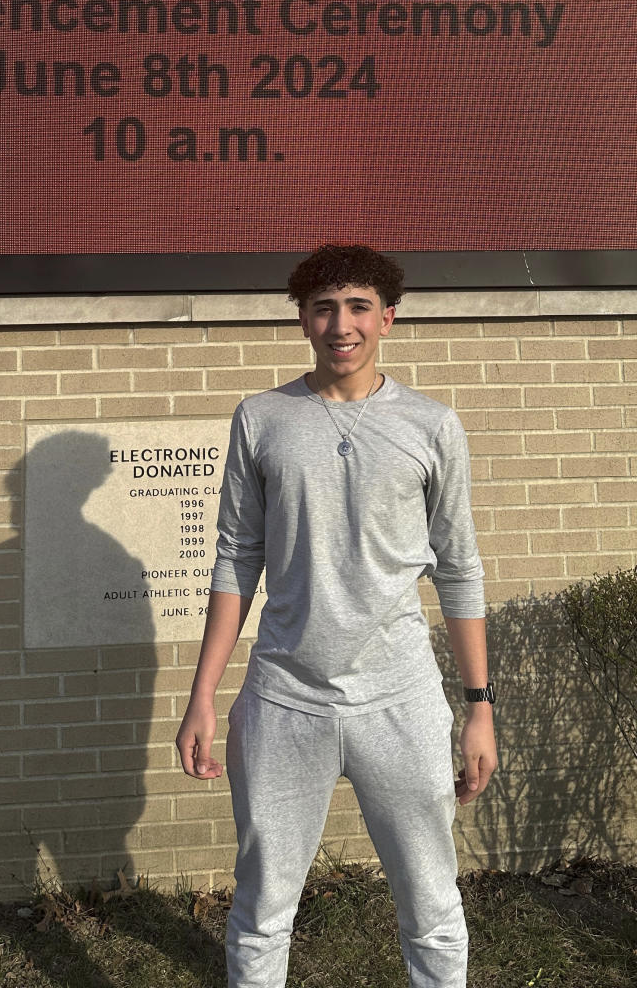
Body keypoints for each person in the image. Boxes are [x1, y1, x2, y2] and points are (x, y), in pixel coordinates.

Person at [175, 244, 497, 988]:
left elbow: (460, 567)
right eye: (323, 307)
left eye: (357, 307)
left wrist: (478, 708)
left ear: (387, 318)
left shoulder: (431, 426)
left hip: (403, 700)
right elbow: (234, 559)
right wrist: (202, 697)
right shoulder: (261, 419)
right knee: (261, 909)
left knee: (432, 905)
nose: (340, 324)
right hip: (284, 700)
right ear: (302, 320)